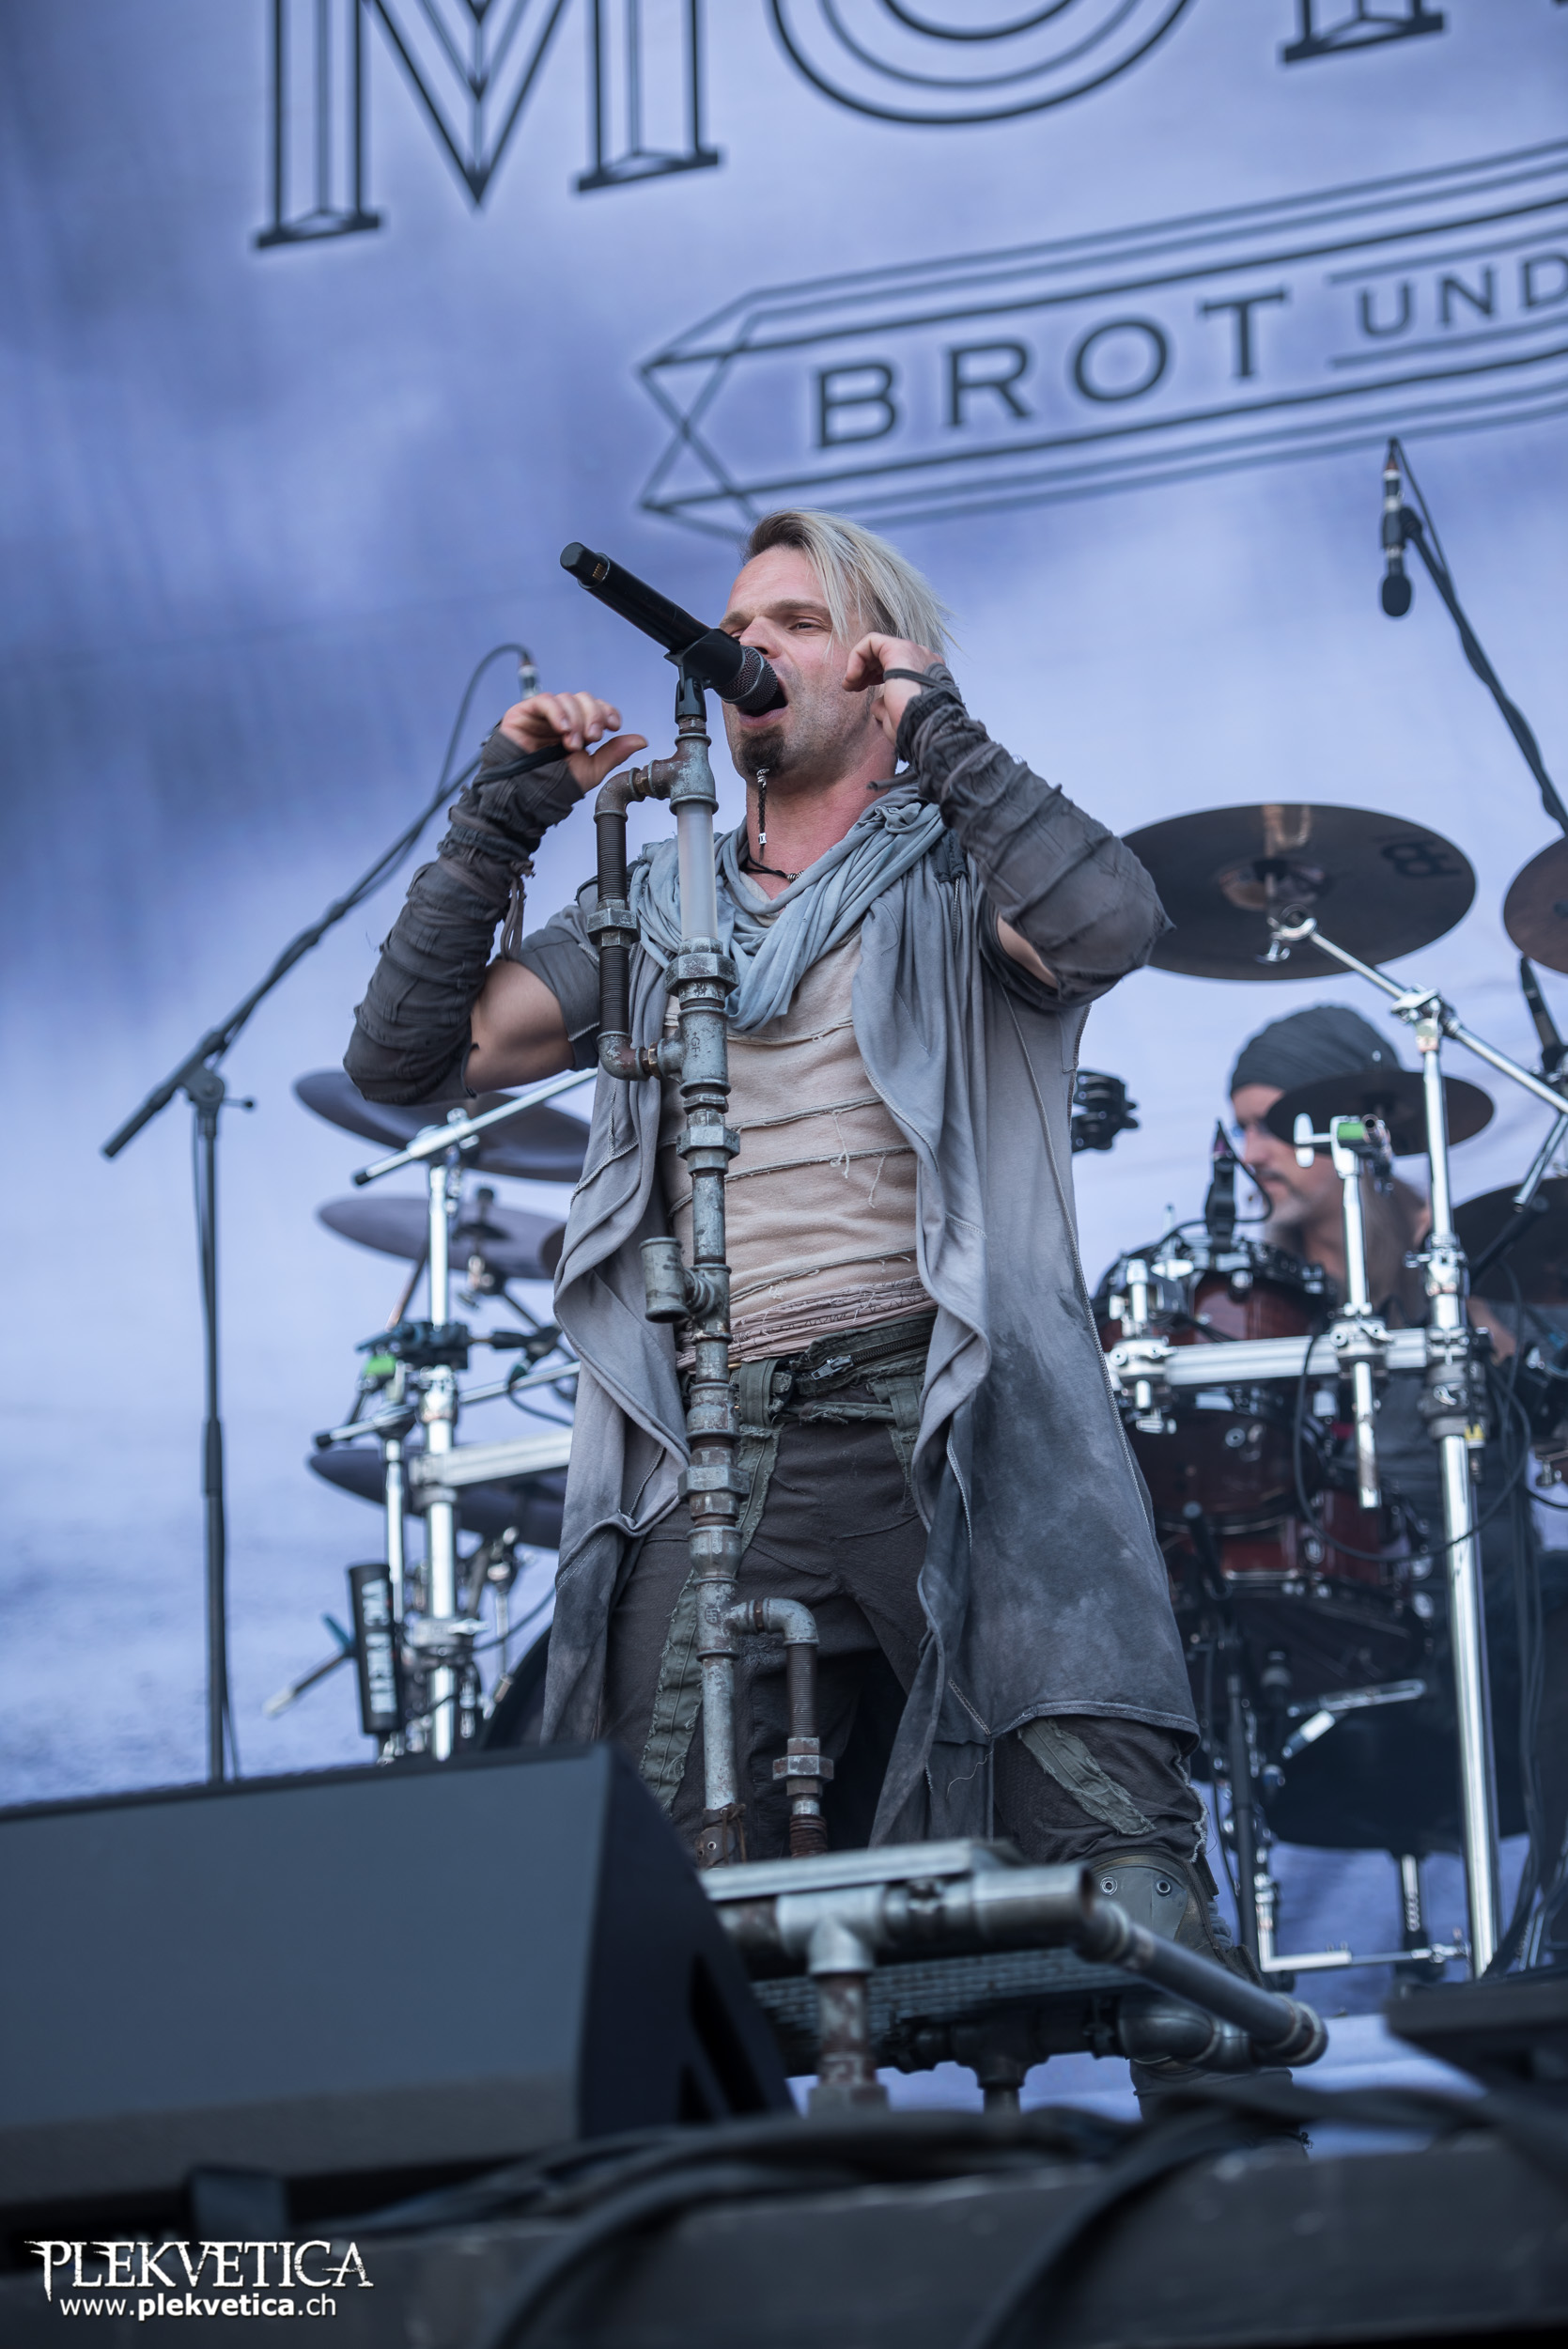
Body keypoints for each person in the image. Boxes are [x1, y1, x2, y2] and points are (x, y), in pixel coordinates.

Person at [346, 507, 1231, 1972]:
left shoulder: (963, 873)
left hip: (955, 1414)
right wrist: (502, 813)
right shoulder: (649, 907)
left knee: (1117, 1869)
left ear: (877, 667)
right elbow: (408, 1058)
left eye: (796, 625)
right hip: (722, 1439)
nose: (746, 645)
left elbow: (1106, 927)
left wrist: (940, 732)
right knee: (654, 1901)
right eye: (736, 625)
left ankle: (1205, 2113)